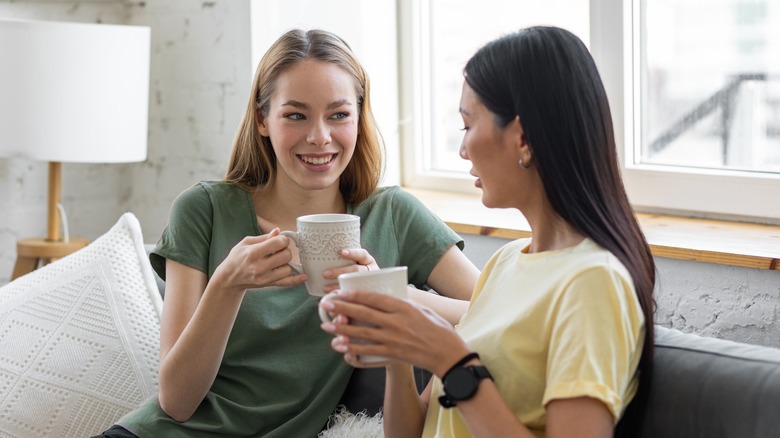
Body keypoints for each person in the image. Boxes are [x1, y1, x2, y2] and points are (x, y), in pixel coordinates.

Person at [94, 28, 479, 437]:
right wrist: (226, 285)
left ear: (359, 117)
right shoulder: (204, 210)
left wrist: (391, 294)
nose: (319, 137)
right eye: (296, 115)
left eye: (339, 114)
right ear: (263, 119)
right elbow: (176, 401)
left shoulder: (392, 214)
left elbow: (502, 307)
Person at [320, 26, 656, 438]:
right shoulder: (505, 263)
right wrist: (398, 353)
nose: (462, 150)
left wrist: (451, 359)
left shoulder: (593, 282)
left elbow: (457, 368)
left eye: (466, 125)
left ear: (523, 138)